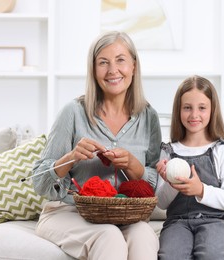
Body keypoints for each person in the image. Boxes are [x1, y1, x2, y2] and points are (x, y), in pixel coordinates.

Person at [32, 31, 161, 260]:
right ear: (93, 70)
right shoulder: (73, 112)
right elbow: (40, 181)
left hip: (124, 214)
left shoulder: (148, 117)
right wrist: (70, 157)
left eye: (120, 60)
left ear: (133, 65)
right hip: (69, 212)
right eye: (103, 62)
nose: (113, 70)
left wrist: (133, 165)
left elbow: (155, 183)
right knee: (108, 236)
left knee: (143, 234)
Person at [156, 75, 224, 260]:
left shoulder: (223, 150)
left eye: (202, 108)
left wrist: (201, 190)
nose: (194, 115)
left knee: (211, 255)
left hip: (215, 222)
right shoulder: (168, 152)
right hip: (177, 222)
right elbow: (161, 203)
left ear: (212, 110)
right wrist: (171, 183)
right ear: (178, 111)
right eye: (187, 108)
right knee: (170, 256)